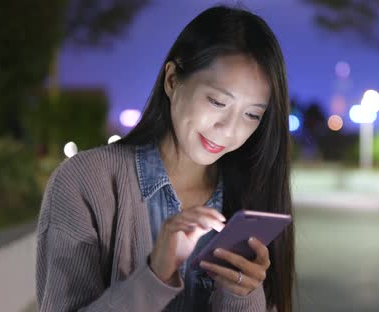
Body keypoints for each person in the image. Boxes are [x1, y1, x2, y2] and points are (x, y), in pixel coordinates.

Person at [35, 5, 295, 312]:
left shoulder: (253, 194)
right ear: (172, 80)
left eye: (252, 115)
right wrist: (155, 276)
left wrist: (242, 295)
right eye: (217, 101)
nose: (229, 130)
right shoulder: (85, 182)